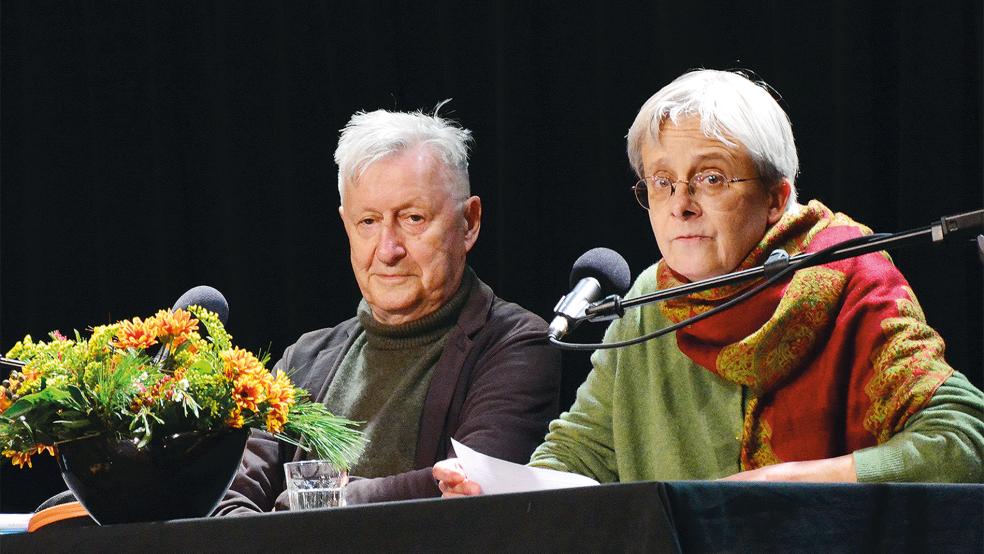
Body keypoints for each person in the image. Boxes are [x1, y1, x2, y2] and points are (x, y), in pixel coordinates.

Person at [435, 69, 983, 495]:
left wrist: (793, 484)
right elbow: (581, 453)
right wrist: (505, 493)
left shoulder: (849, 278)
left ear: (777, 197)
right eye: (662, 182)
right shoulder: (649, 298)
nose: (681, 206)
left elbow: (965, 439)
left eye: (711, 178)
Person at [214, 107, 561, 512]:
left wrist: (310, 502)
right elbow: (227, 506)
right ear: (347, 225)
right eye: (368, 222)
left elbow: (467, 491)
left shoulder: (517, 345)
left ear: (469, 222)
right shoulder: (303, 361)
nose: (387, 249)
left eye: (413, 218)